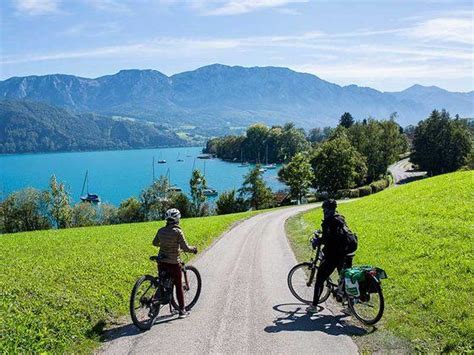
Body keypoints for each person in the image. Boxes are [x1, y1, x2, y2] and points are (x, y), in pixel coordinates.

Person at [307, 199, 358, 313]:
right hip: (348, 249)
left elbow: (327, 239)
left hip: (335, 254)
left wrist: (317, 241)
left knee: (320, 278)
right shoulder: (339, 218)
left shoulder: (328, 221)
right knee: (345, 278)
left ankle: (314, 306)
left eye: (324, 209)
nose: (324, 211)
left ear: (327, 209)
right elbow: (335, 234)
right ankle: (350, 307)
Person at [152, 208, 198, 318]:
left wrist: (165, 244)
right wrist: (194, 249)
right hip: (173, 263)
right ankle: (182, 310)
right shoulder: (177, 232)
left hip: (161, 262)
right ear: (177, 220)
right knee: (178, 285)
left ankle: (155, 302)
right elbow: (185, 248)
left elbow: (155, 243)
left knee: (163, 282)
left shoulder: (161, 231)